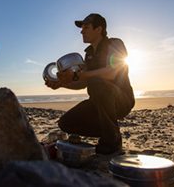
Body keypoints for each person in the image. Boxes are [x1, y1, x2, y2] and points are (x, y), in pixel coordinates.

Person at [45, 13, 135, 154]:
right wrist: (62, 84)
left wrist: (76, 75)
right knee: (65, 123)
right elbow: (84, 83)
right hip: (98, 101)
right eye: (82, 28)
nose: (81, 31)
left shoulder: (115, 44)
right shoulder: (88, 54)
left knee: (97, 83)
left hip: (121, 99)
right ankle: (111, 131)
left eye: (86, 27)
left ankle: (112, 141)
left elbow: (112, 72)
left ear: (98, 29)